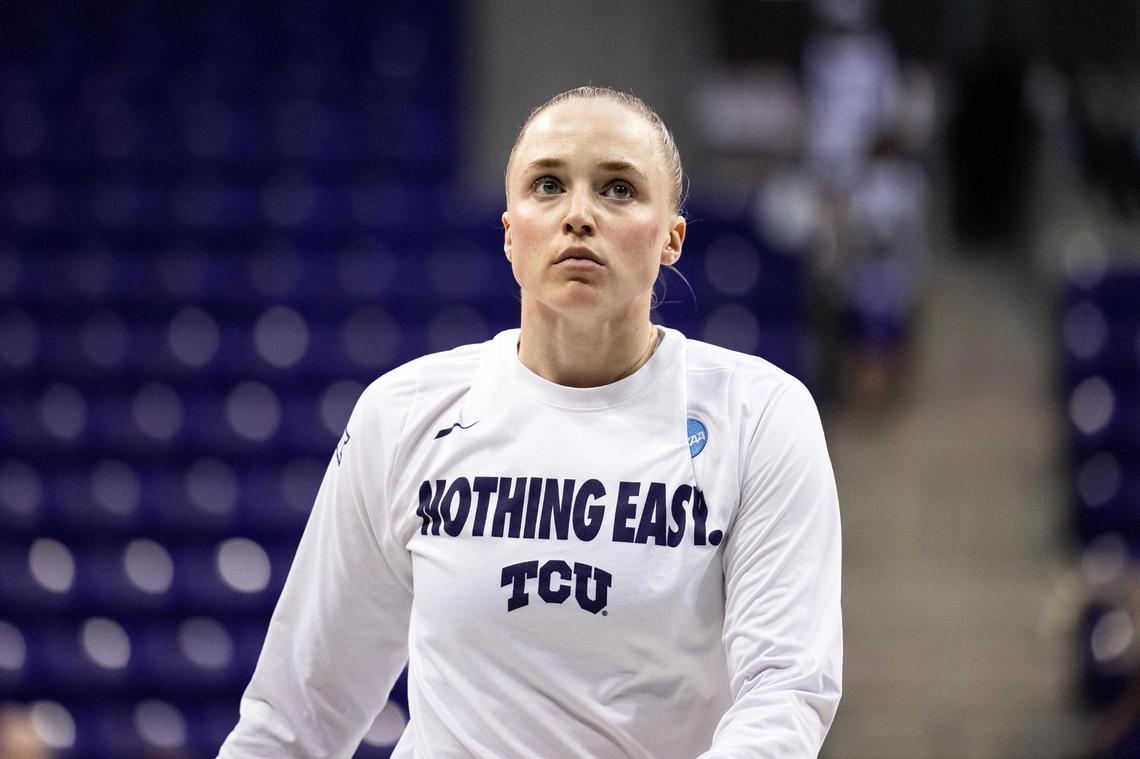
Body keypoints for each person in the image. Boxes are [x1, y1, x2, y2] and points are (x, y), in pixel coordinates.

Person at [218, 86, 842, 758]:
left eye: (619, 189)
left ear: (671, 238)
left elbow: (784, 690)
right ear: (511, 232)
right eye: (548, 185)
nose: (579, 214)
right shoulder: (404, 412)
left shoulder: (759, 415)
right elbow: (298, 713)